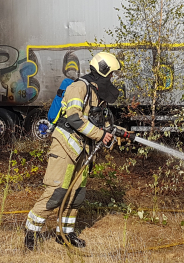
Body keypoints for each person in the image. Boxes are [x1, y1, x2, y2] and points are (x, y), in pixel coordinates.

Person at [24, 52, 128, 249]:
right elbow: (74, 118)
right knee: (57, 192)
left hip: (83, 150)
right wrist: (100, 135)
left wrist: (120, 133)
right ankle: (31, 232)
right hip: (65, 146)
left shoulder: (98, 94)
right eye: (111, 73)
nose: (112, 78)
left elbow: (103, 123)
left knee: (77, 194)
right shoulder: (79, 87)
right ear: (103, 71)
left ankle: (65, 234)